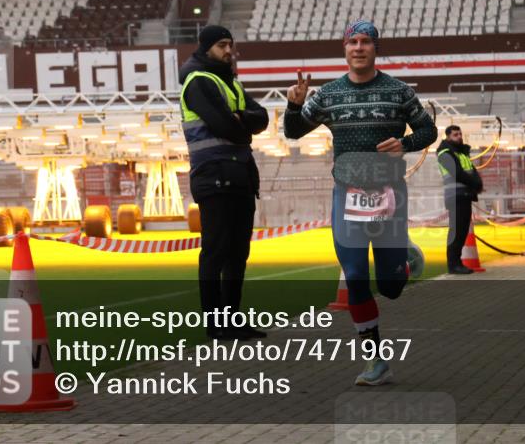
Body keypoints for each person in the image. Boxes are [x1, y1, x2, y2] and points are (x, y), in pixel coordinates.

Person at [283, 20, 437, 386]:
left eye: (366, 41)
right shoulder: (329, 94)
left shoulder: (399, 92)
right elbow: (292, 132)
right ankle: (375, 361)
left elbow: (428, 130)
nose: (358, 47)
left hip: (389, 194)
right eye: (352, 41)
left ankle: (403, 258)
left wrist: (406, 144)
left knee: (390, 287)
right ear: (344, 48)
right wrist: (295, 105)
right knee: (353, 275)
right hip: (347, 193)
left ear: (375, 48)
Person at [179, 25, 270, 341]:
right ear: (206, 48)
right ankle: (215, 325)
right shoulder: (198, 81)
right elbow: (227, 126)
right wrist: (243, 124)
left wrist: (240, 121)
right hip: (213, 175)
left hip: (241, 175)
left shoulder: (230, 82)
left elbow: (263, 118)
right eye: (222, 45)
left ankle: (233, 320)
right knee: (215, 251)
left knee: (238, 253)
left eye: (231, 44)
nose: (228, 50)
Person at [436, 125, 484, 274]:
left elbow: (471, 170)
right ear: (448, 137)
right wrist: (475, 183)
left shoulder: (461, 153)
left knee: (462, 232)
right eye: (455, 134)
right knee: (456, 232)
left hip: (464, 195)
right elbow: (457, 173)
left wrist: (477, 183)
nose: (459, 136)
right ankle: (453, 265)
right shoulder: (445, 153)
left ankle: (457, 263)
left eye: (460, 134)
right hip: (455, 196)